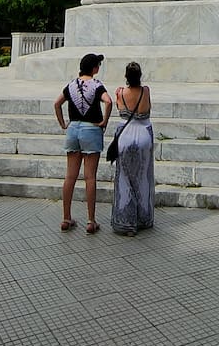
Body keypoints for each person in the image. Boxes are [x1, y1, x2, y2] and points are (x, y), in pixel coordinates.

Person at [54, 53, 112, 235]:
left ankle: (66, 218)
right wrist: (104, 121)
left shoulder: (71, 84)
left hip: (73, 129)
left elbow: (57, 103)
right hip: (91, 130)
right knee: (90, 177)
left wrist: (63, 124)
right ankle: (91, 220)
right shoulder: (96, 85)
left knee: (70, 176)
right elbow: (108, 101)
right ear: (94, 68)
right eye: (98, 65)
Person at [110, 62, 155, 236]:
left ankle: (126, 222)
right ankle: (143, 219)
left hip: (125, 136)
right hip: (144, 135)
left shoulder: (120, 92)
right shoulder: (146, 91)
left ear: (126, 76)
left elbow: (118, 107)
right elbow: (149, 108)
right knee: (143, 177)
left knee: (124, 178)